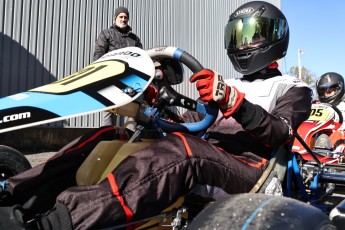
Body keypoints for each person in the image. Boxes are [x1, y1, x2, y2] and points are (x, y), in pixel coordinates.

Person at [0, 1, 315, 229]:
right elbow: (194, 123)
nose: (245, 44)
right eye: (239, 36)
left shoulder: (293, 87)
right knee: (112, 136)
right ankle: (13, 194)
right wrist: (156, 103)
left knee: (185, 152)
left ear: (275, 37)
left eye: (254, 36)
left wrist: (235, 102)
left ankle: (55, 223)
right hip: (209, 155)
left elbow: (280, 132)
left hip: (252, 170)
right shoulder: (227, 82)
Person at [93, 6, 143, 126]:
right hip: (111, 77)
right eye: (121, 16)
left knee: (130, 110)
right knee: (109, 109)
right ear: (115, 18)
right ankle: (108, 136)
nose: (123, 19)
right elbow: (99, 54)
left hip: (129, 79)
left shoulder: (134, 39)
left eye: (126, 17)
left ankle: (129, 138)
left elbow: (141, 57)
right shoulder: (106, 34)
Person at [314, 72, 345, 150]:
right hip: (314, 141)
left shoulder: (342, 107)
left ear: (338, 90)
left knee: (337, 134)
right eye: (322, 92)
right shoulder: (315, 106)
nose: (325, 95)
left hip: (337, 145)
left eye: (329, 91)